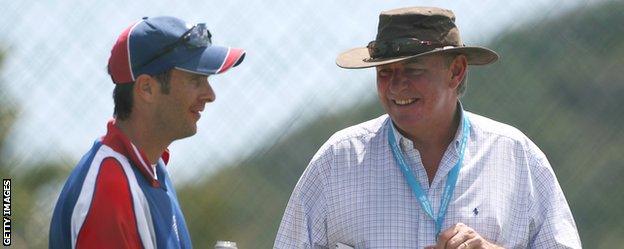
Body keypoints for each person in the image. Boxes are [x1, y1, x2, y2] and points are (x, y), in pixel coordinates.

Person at [274, 7, 581, 249]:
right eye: (384, 72)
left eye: (413, 69)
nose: (396, 85)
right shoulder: (338, 160)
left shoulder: (515, 156)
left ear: (456, 71)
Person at [49, 16, 245, 248]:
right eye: (195, 79)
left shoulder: (151, 169)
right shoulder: (111, 189)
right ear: (146, 88)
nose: (210, 95)